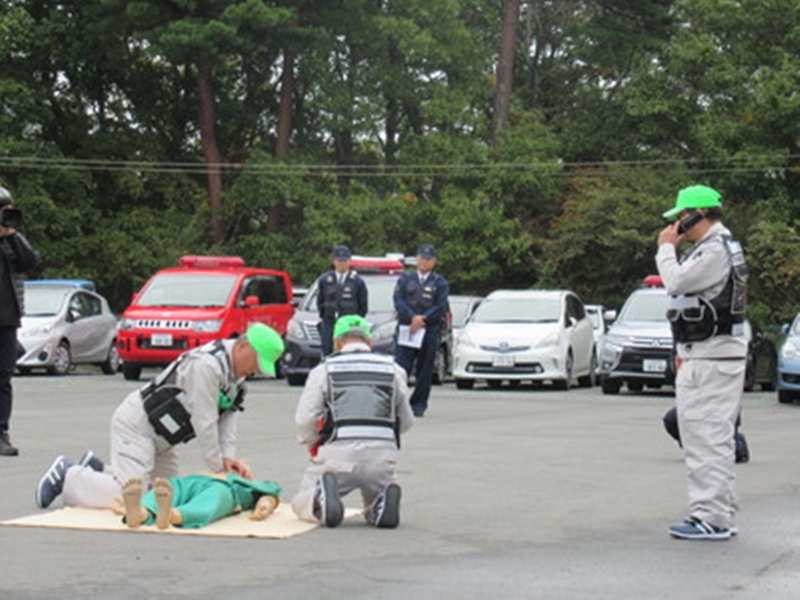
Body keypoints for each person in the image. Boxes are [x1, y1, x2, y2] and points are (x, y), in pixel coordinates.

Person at [34, 323, 285, 510]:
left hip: (163, 440)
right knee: (133, 498)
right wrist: (218, 468)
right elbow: (204, 421)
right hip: (137, 427)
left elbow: (228, 414)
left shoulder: (237, 375)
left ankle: (99, 469)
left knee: (167, 497)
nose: (255, 370)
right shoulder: (206, 366)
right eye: (256, 362)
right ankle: (69, 475)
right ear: (242, 346)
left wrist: (229, 457)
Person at [656, 184, 748, 541]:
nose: (678, 224)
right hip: (710, 351)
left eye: (681, 216)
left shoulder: (714, 251)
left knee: (704, 436)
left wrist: (666, 248)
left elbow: (675, 282)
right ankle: (719, 512)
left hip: (712, 355)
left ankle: (711, 517)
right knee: (714, 436)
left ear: (698, 214)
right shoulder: (720, 248)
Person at [291, 315, 414, 528]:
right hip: (381, 456)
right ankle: (379, 503)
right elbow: (406, 420)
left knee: (300, 500)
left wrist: (313, 442)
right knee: (373, 497)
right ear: (369, 341)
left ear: (337, 342)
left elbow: (305, 418)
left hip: (338, 453)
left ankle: (319, 500)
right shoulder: (393, 369)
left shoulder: (324, 370)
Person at [0, 186, 39, 457]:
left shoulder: (12, 240)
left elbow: (32, 263)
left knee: (3, 379)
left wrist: (11, 235)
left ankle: (1, 432)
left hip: (7, 320)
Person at [393, 243, 449, 417]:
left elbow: (440, 305)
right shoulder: (405, 279)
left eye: (429, 259)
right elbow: (398, 300)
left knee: (425, 370)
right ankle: (397, 404)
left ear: (434, 262)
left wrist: (422, 319)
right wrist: (412, 318)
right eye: (422, 258)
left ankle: (418, 405)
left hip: (429, 330)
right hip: (407, 329)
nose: (425, 262)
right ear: (416, 259)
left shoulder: (439, 282)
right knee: (401, 369)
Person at [120, 472, 282, 529]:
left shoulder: (249, 486)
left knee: (211, 501)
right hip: (190, 482)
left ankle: (170, 514)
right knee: (168, 487)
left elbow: (271, 494)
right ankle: (141, 512)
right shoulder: (217, 471)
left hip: (225, 488)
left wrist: (265, 506)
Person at [316, 244, 368, 356]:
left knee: (347, 352)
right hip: (330, 323)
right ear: (334, 261)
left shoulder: (357, 282)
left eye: (344, 261)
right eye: (339, 261)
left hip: (349, 324)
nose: (341, 264)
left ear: (349, 261)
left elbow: (363, 306)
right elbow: (320, 302)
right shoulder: (325, 280)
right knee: (328, 351)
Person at [662, 406, 750, 464]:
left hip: (722, 405)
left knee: (728, 451)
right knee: (671, 418)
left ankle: (737, 444)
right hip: (696, 402)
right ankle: (695, 446)